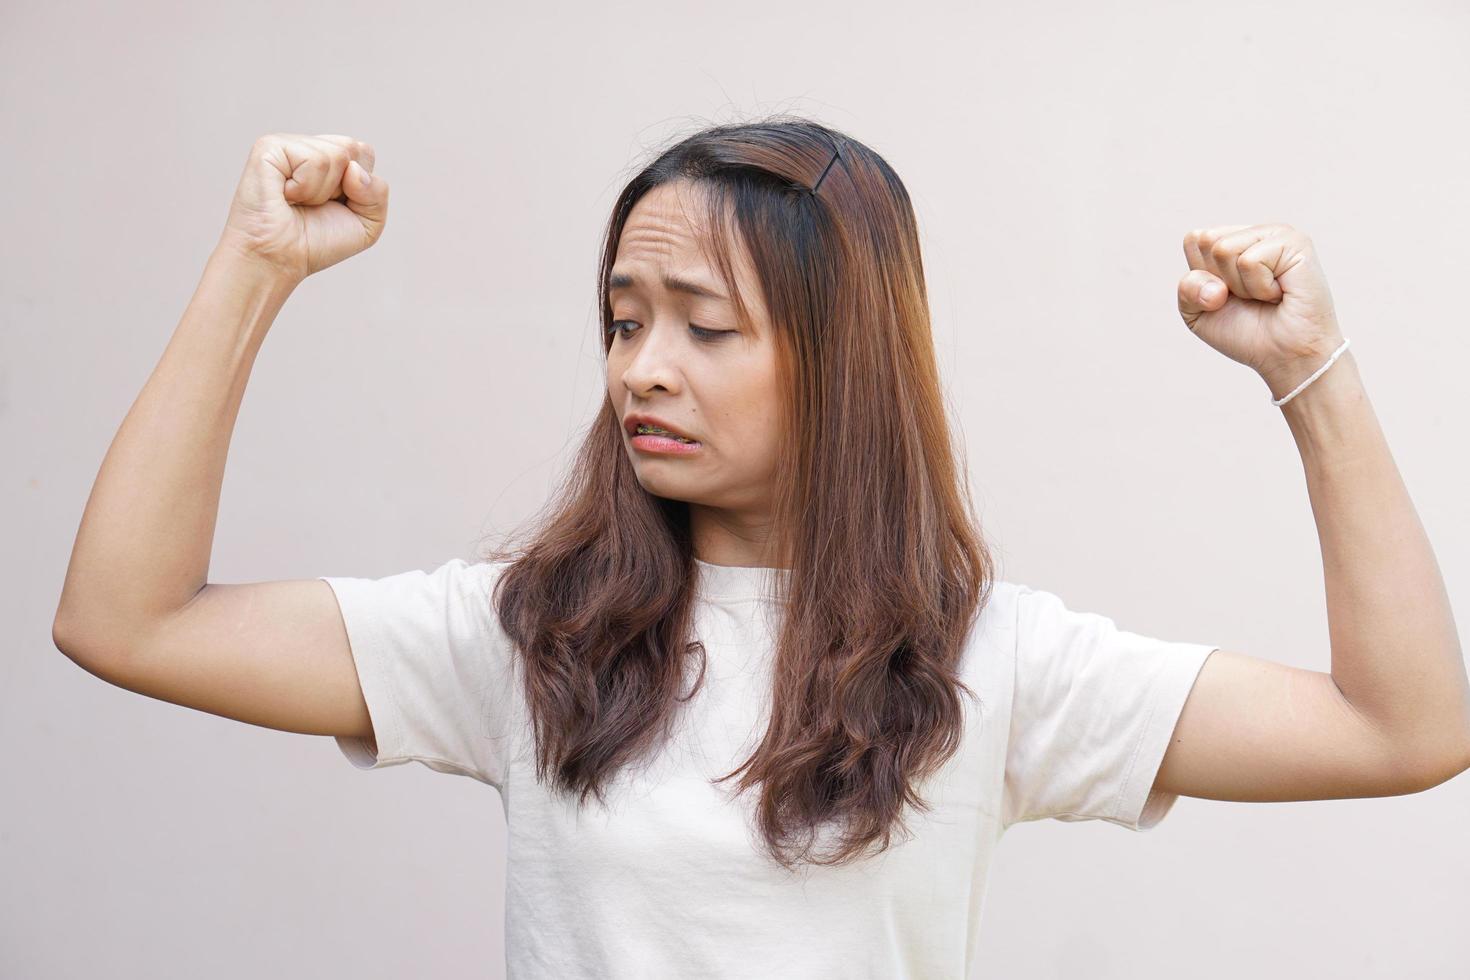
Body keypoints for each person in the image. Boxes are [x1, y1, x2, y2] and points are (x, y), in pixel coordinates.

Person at [52, 119, 1470, 979]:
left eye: (703, 326)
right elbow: (126, 621)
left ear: (839, 358)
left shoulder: (992, 664)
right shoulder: (526, 635)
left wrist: (1311, 374)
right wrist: (254, 265)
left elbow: (1400, 730)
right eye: (622, 319)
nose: (642, 370)